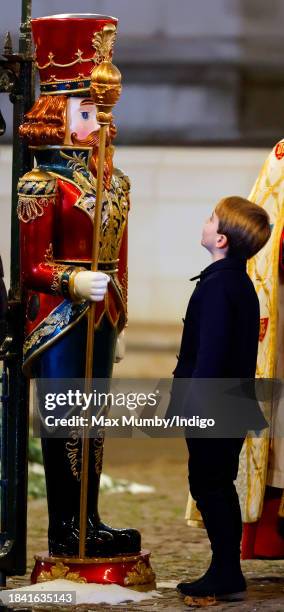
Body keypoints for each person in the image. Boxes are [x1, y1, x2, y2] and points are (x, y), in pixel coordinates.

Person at [17, 14, 140, 558]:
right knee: (66, 420)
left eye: (97, 112)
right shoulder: (41, 184)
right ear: (56, 116)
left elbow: (120, 252)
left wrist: (119, 303)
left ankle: (90, 518)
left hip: (101, 315)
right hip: (60, 319)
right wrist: (74, 279)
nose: (97, 123)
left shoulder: (113, 180)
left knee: (94, 420)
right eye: (84, 112)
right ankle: (66, 526)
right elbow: (32, 267)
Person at [173, 196, 271, 600]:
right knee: (215, 483)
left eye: (211, 219)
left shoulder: (219, 287)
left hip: (213, 403)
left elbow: (210, 355)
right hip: (229, 402)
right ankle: (225, 568)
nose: (205, 222)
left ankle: (227, 571)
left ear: (223, 239)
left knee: (210, 484)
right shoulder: (235, 282)